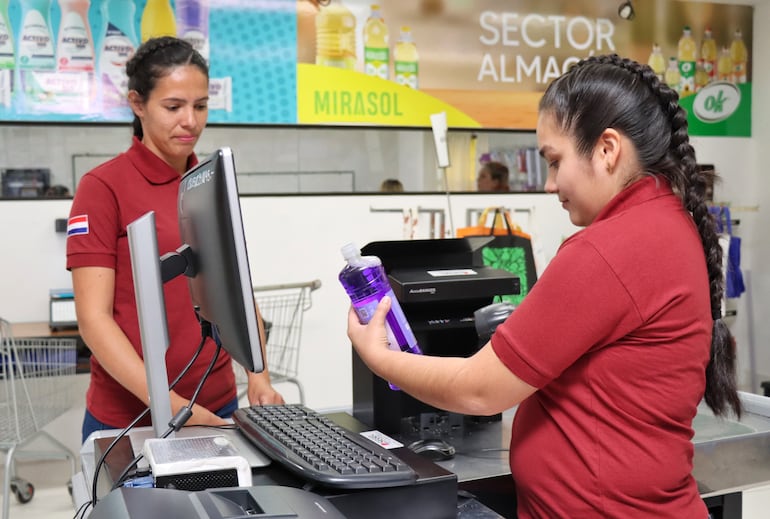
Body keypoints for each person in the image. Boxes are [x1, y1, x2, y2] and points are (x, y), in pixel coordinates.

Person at [347, 54, 741, 518]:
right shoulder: (664, 224)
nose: (551, 184)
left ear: (607, 149)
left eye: (555, 162)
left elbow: (479, 391)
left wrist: (380, 358)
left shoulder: (611, 248)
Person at [67, 37, 284, 444]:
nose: (191, 121)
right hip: (131, 419)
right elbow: (93, 320)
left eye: (200, 106)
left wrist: (258, 376)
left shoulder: (208, 182)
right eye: (173, 107)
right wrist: (170, 405)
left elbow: (236, 288)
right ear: (137, 103)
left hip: (217, 405)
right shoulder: (102, 187)